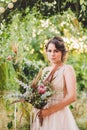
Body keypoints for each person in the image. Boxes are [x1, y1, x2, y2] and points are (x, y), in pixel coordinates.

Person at [31, 36, 79, 130]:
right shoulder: (45, 71)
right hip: (43, 114)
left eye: (56, 51)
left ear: (62, 53)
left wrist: (49, 111)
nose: (52, 54)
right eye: (49, 51)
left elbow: (72, 97)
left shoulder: (67, 70)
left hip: (59, 115)